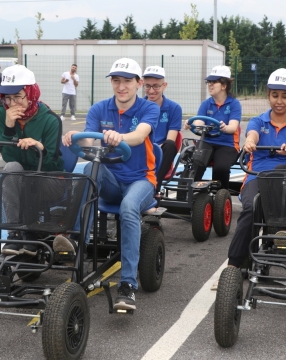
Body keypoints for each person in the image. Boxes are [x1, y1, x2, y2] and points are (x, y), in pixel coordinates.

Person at [62, 58, 159, 311]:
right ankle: (73, 239)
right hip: (111, 181)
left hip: (141, 180)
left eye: (127, 81)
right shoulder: (98, 109)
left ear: (138, 83)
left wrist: (120, 137)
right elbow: (90, 145)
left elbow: (139, 137)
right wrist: (75, 138)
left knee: (128, 208)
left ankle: (127, 285)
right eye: (116, 80)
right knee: (88, 170)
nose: (121, 86)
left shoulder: (148, 109)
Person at [214, 68, 286, 289]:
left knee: (280, 169)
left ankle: (276, 235)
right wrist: (249, 141)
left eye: (285, 96)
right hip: (258, 176)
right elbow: (253, 134)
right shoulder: (258, 121)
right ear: (268, 95)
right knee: (250, 208)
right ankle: (233, 266)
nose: (279, 101)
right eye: (275, 95)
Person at [0, 65, 73, 257]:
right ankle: (15, 232)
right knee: (11, 168)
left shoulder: (51, 120)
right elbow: (8, 157)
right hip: (20, 177)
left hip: (50, 179)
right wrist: (9, 127)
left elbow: (53, 165)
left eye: (18, 96)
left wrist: (40, 148)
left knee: (30, 179)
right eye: (7, 97)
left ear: (31, 92)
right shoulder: (0, 114)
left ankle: (30, 233)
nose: (12, 103)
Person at [191, 65, 242, 189]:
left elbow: (233, 127)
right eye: (209, 82)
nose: (210, 85)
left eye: (214, 82)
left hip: (227, 144)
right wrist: (192, 123)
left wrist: (225, 127)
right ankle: (189, 193)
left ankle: (221, 195)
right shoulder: (206, 103)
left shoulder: (234, 104)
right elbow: (199, 121)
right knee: (196, 163)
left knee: (221, 167)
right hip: (207, 141)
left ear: (224, 85)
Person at [142, 65, 183, 193]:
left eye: (156, 86)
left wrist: (156, 147)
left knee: (170, 145)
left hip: (159, 153)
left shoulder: (174, 108)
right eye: (147, 86)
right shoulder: (137, 106)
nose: (151, 90)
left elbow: (171, 139)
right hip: (140, 149)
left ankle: (155, 187)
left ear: (164, 85)